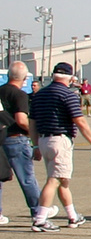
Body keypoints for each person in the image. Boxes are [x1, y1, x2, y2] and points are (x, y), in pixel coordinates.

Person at [28, 62, 91, 232]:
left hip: (44, 140)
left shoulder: (39, 95)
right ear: (69, 77)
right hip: (60, 140)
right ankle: (40, 219)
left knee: (63, 180)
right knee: (54, 180)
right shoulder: (68, 95)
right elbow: (80, 121)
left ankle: (73, 216)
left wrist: (35, 144)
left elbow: (32, 123)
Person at [0, 62, 46, 226]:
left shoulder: (1, 91)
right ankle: (37, 211)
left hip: (1, 137)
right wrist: (32, 132)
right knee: (26, 178)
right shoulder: (20, 95)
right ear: (25, 78)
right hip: (16, 138)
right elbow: (21, 119)